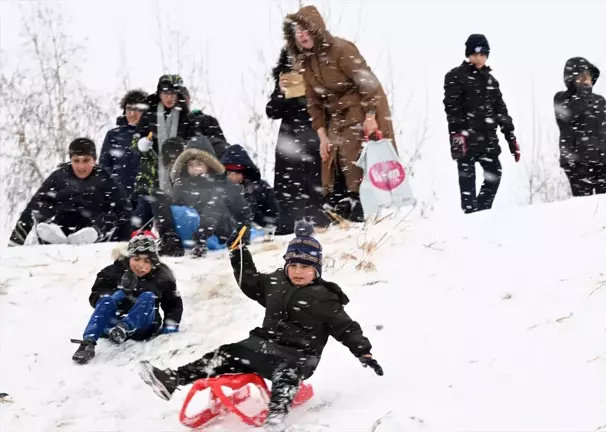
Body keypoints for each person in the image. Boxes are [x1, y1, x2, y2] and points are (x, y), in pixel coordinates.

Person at [138, 220, 383, 430]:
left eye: (305, 266)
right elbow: (250, 281)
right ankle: (172, 379)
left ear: (316, 269)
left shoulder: (326, 297)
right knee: (225, 353)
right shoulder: (276, 282)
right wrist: (238, 251)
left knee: (286, 374)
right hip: (260, 346)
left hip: (298, 356)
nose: (298, 271)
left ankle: (275, 418)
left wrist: (363, 350)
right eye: (293, 265)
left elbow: (346, 328)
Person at [283, 5, 396, 222]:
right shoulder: (305, 62)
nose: (302, 35)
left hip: (359, 105)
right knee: (331, 155)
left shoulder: (341, 49)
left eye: (306, 30)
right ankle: (341, 202)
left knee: (352, 151)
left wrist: (371, 116)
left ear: (316, 29)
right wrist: (322, 135)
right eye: (298, 31)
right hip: (334, 113)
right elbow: (313, 101)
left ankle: (361, 202)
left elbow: (367, 82)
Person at [70, 234, 183, 364]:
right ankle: (87, 342)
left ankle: (124, 327)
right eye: (136, 259)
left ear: (154, 263)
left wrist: (171, 324)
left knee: (147, 296)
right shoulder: (112, 272)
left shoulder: (161, 276)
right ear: (128, 258)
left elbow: (173, 303)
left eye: (147, 261)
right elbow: (96, 295)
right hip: (111, 324)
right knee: (106, 299)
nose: (141, 265)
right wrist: (117, 294)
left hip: (143, 326)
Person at [443, 34, 521, 214]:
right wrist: (457, 135)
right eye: (475, 53)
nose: (479, 57)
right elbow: (451, 107)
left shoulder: (492, 82)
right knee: (467, 180)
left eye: (483, 53)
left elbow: (502, 112)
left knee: (495, 173)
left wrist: (511, 139)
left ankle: (482, 213)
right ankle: (470, 214)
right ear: (468, 54)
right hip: (464, 137)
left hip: (487, 139)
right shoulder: (455, 76)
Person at [8, 138, 132, 246]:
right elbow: (33, 207)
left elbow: (124, 211)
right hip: (60, 225)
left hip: (92, 226)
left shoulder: (105, 178)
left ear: (94, 160)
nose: (81, 167)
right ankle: (51, 233)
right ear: (70, 160)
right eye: (76, 161)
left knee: (111, 216)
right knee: (41, 206)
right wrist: (15, 242)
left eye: (86, 160)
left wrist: (125, 246)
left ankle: (92, 234)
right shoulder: (59, 176)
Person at [153, 136, 253, 258]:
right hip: (186, 235)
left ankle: (201, 239)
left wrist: (242, 236)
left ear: (209, 165)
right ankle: (170, 241)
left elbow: (244, 216)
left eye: (199, 164)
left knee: (216, 197)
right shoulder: (181, 185)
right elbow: (173, 210)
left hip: (215, 235)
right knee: (158, 196)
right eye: (191, 165)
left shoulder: (224, 185)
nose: (195, 169)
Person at [266, 47, 330, 234]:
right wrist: (281, 92)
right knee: (288, 187)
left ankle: (319, 222)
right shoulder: (285, 80)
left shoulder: (318, 77)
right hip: (290, 141)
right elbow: (272, 111)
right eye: (293, 58)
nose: (296, 63)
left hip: (314, 137)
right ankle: (287, 226)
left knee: (316, 182)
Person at [553, 57, 606, 196]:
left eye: (589, 76)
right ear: (573, 78)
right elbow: (568, 116)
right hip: (577, 163)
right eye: (583, 76)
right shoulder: (561, 98)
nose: (588, 80)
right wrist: (583, 91)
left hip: (605, 162)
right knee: (583, 207)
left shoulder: (600, 101)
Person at [99, 89, 149, 240]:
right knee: (116, 236)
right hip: (118, 192)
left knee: (138, 235)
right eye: (129, 109)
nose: (133, 114)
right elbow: (104, 165)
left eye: (137, 110)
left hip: (144, 194)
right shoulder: (114, 134)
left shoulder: (151, 135)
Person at [220, 144, 280, 235]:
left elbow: (274, 213)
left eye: (236, 173)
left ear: (244, 172)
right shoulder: (222, 190)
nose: (232, 176)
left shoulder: (261, 188)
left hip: (261, 234)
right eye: (229, 173)